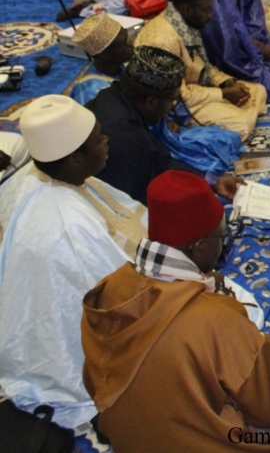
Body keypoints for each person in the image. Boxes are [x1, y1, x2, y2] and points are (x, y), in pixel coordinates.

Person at [81, 170, 270, 451]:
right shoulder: (214, 320)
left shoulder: (109, 289)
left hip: (132, 441)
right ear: (200, 246)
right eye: (220, 236)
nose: (223, 244)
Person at [0, 95, 146, 430]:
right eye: (98, 138)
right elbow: (127, 298)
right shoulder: (69, 227)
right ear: (76, 159)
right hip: (63, 342)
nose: (107, 139)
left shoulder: (38, 175)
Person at [86, 45, 242, 204]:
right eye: (172, 100)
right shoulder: (122, 138)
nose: (172, 107)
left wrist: (212, 181)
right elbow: (126, 206)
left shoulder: (115, 98)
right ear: (151, 102)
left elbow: (159, 160)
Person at [137, 0, 269, 140]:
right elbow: (178, 95)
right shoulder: (163, 41)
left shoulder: (185, 23)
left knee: (258, 91)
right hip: (176, 107)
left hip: (197, 91)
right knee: (241, 123)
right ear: (187, 9)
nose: (210, 15)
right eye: (206, 10)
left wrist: (227, 82)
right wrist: (223, 94)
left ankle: (230, 114)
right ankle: (188, 131)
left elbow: (202, 66)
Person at [69, 13, 137, 104]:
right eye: (124, 41)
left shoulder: (117, 66)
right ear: (106, 55)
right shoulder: (93, 94)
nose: (132, 43)